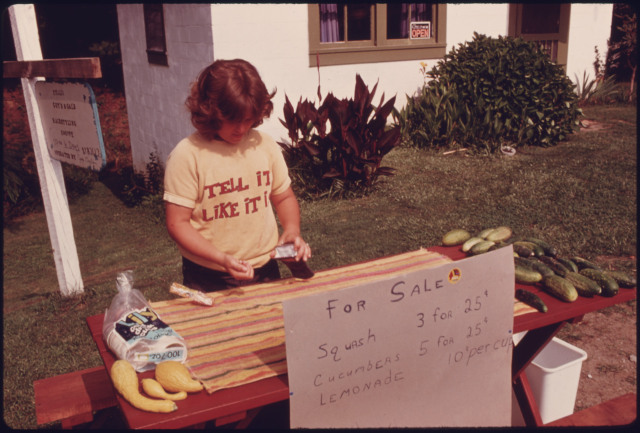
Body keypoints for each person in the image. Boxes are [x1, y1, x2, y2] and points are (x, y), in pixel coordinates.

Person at [163, 59, 312, 292]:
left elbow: (283, 198)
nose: (241, 129)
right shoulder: (188, 155)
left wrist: (292, 230)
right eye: (232, 120)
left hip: (265, 267)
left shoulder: (265, 146)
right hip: (209, 273)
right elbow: (177, 223)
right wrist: (221, 258)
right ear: (209, 110)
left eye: (248, 119)